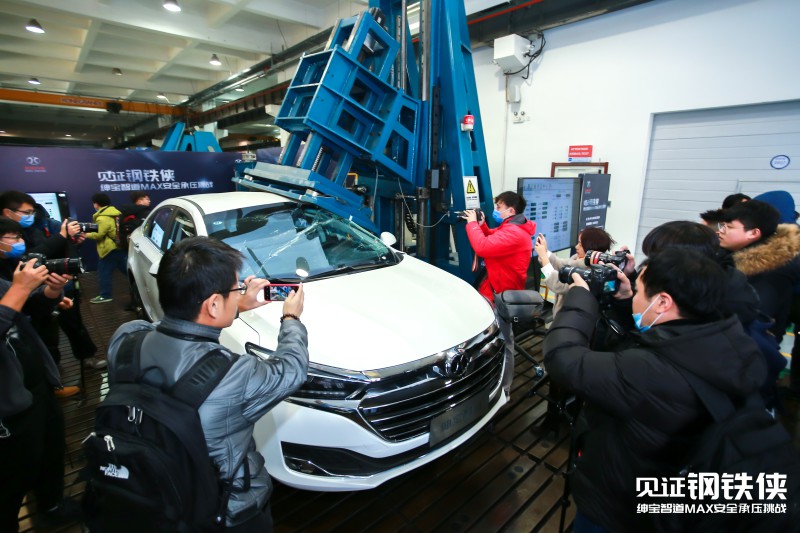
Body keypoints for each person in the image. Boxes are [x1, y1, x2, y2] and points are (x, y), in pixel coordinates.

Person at [543, 249, 766, 532]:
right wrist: (627, 302)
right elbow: (657, 337)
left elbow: (562, 358)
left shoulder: (647, 371)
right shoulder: (729, 341)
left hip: (618, 508)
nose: (634, 294)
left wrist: (580, 298)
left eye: (638, 290)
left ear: (662, 302)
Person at [106, 236, 309, 531]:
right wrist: (291, 318)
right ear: (213, 304)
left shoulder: (125, 339)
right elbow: (291, 371)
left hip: (146, 495)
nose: (239, 294)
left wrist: (234, 305)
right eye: (236, 289)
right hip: (224, 513)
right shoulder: (233, 373)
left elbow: (173, 328)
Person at [0, 258, 83, 531]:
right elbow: (15, 299)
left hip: (37, 386)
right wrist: (20, 289)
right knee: (13, 476)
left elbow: (28, 306)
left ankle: (52, 504)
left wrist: (51, 291)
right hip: (8, 408)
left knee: (50, 449)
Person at [463, 191, 536, 400]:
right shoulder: (512, 227)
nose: (496, 210)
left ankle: (504, 389)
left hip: (503, 296)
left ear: (510, 210)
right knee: (500, 339)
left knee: (505, 343)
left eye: (499, 207)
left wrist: (472, 224)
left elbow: (483, 247)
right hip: (495, 289)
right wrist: (482, 225)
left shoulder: (515, 233)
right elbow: (494, 237)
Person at [718, 199, 800, 339]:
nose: (720, 231)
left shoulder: (768, 271)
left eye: (729, 227)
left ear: (753, 233)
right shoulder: (733, 255)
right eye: (722, 225)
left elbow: (753, 321)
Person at [535, 227, 614, 317]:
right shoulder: (578, 259)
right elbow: (560, 264)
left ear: (590, 248)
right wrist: (545, 251)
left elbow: (558, 284)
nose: (576, 247)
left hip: (569, 319)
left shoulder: (590, 274)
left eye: (580, 244)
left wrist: (544, 257)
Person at [84, 193, 126, 304]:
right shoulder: (115, 213)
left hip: (109, 249)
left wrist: (84, 235)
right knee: (126, 269)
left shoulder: (103, 217)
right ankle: (142, 284)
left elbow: (98, 235)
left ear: (96, 204)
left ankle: (105, 295)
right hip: (119, 246)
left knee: (103, 272)